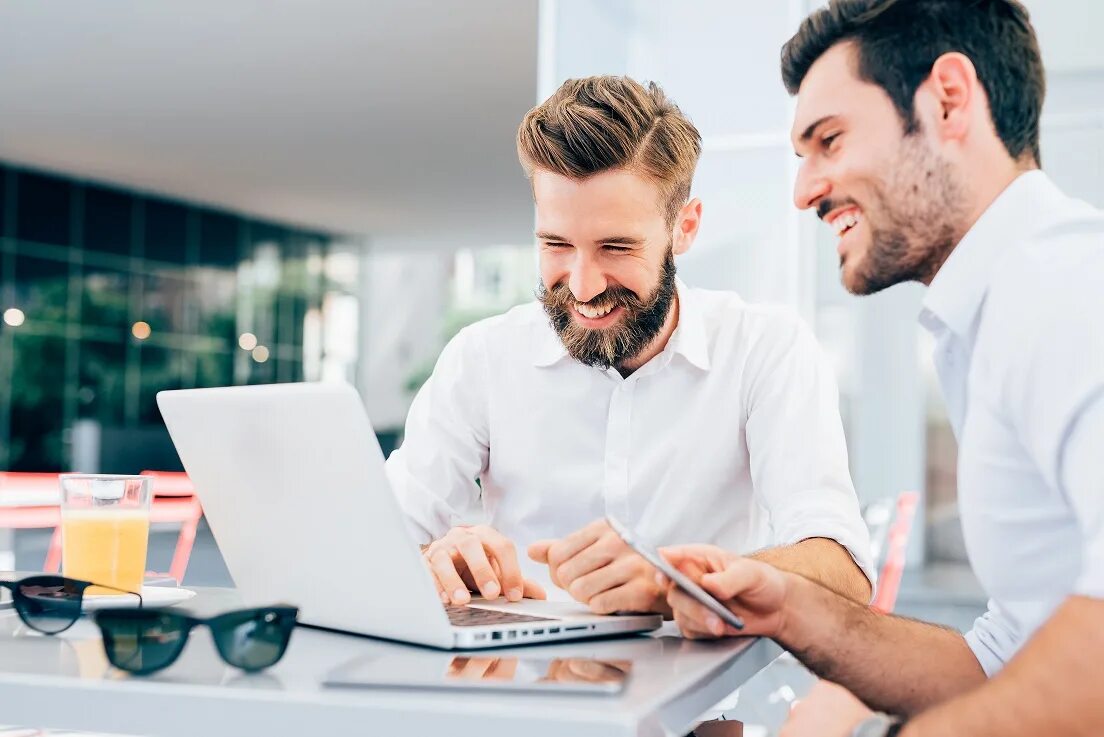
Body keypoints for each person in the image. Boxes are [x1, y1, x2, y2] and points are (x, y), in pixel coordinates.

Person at [659, 2, 1104, 736]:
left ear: (948, 101)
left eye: (828, 141)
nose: (803, 189)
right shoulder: (990, 319)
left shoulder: (1066, 284)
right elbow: (999, 658)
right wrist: (793, 607)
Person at [385, 75, 874, 617]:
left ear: (684, 228)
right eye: (556, 244)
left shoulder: (764, 351)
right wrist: (431, 556)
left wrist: (675, 583)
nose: (583, 285)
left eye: (615, 247)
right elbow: (380, 539)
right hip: (515, 692)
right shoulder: (481, 360)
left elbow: (842, 568)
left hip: (705, 702)